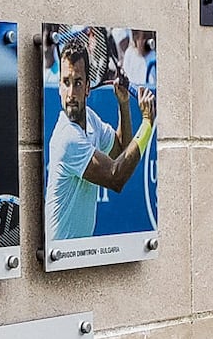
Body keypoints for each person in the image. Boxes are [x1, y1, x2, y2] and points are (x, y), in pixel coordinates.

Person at [44, 31, 155, 242]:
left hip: (79, 252)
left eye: (77, 83)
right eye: (65, 82)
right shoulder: (67, 138)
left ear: (87, 88)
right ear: (58, 86)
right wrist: (147, 123)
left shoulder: (91, 120)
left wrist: (123, 104)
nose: (70, 94)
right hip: (62, 255)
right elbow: (115, 176)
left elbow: (121, 149)